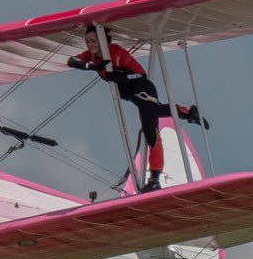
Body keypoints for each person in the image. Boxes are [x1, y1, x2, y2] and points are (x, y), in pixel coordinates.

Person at [68, 26, 207, 192]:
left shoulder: (117, 52)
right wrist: (93, 67)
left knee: (151, 133)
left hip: (144, 91)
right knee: (159, 110)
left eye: (94, 41)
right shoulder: (92, 57)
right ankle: (188, 113)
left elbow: (141, 74)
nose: (90, 45)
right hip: (133, 96)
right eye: (88, 42)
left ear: (103, 41)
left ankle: (155, 179)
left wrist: (122, 76)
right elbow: (71, 61)